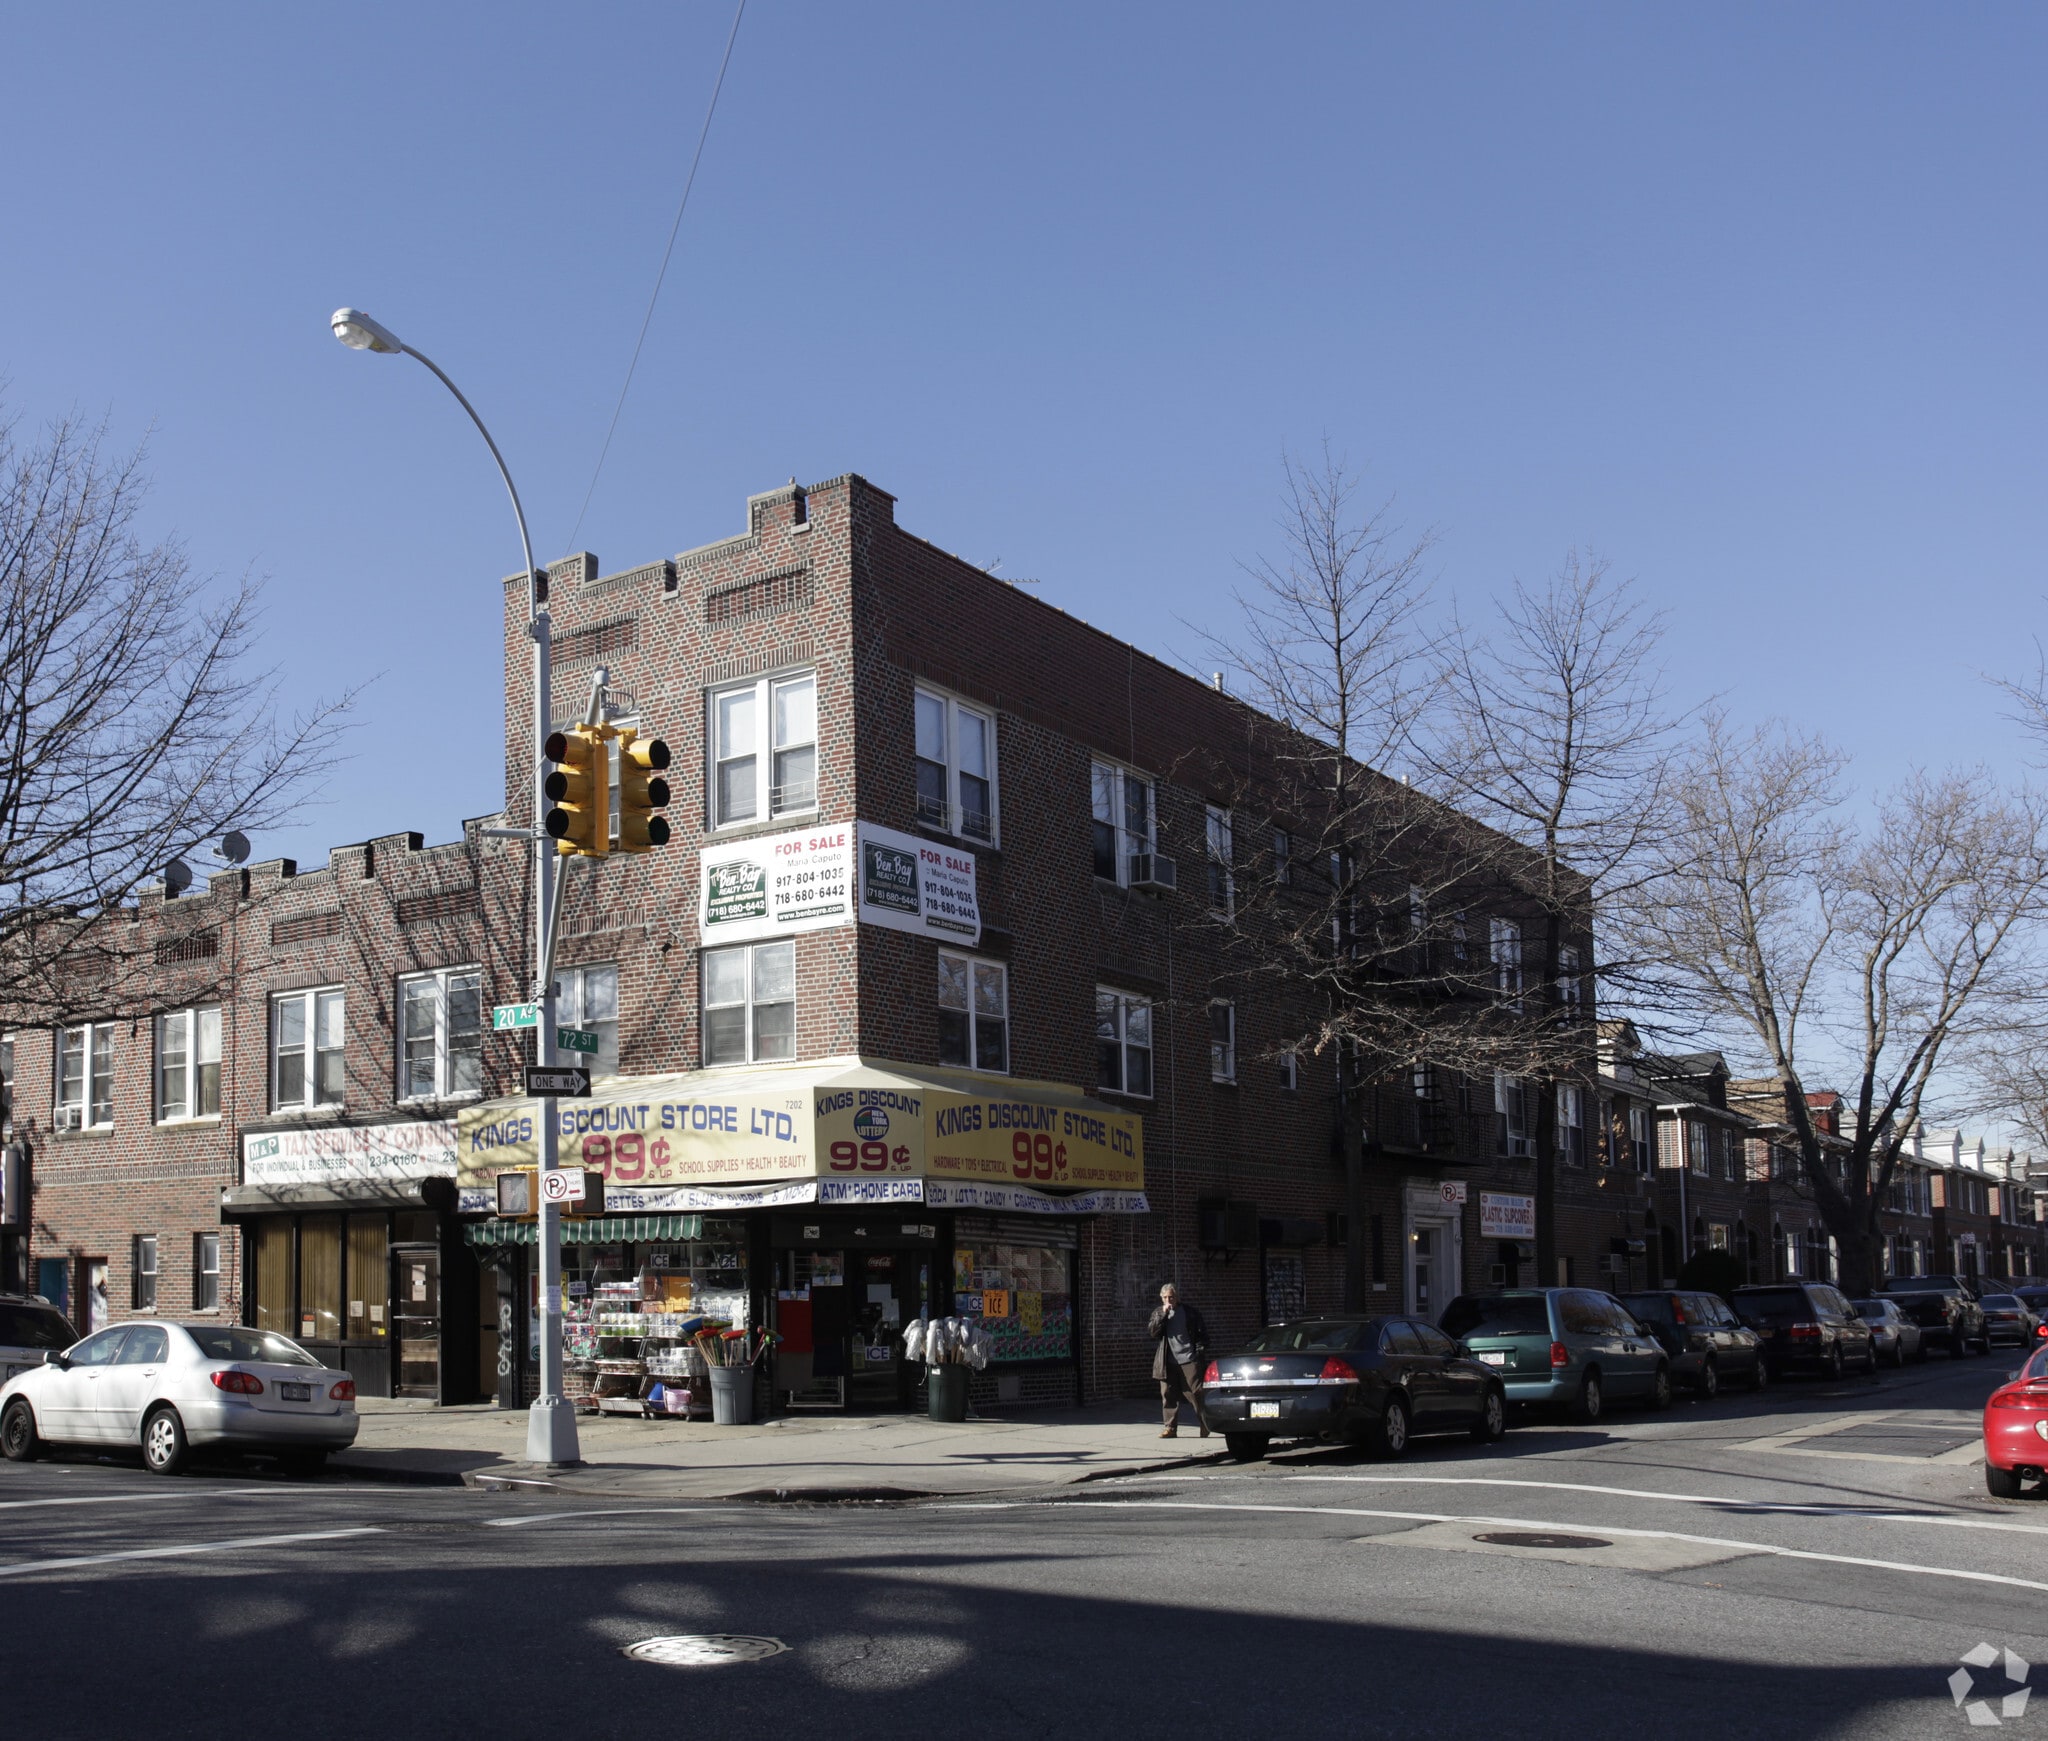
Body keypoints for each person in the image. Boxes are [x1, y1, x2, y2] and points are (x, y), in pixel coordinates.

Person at [1148, 1282, 1209, 1439]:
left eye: (1171, 1297)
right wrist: (1163, 1314)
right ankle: (1170, 1427)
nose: (1169, 1300)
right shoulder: (1158, 1313)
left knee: (1195, 1393)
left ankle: (1205, 1424)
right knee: (1168, 1394)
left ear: (1177, 1297)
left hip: (1188, 1359)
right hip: (1167, 1360)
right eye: (1165, 1297)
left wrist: (1198, 1353)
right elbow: (1153, 1332)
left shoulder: (1190, 1313)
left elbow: (1202, 1335)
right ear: (1161, 1298)